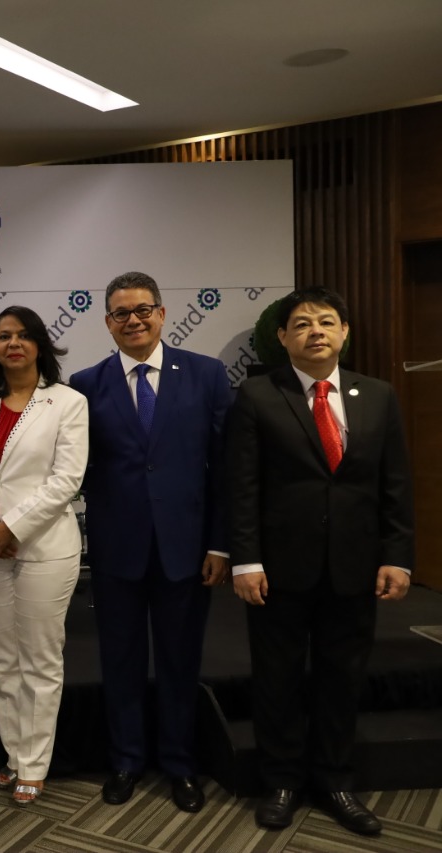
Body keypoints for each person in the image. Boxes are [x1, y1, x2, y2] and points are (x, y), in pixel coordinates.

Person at [228, 287, 413, 837]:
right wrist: (245, 561)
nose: (316, 331)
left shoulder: (377, 396)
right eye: (302, 323)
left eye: (327, 322)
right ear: (282, 337)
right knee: (277, 677)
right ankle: (281, 780)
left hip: (356, 566)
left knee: (342, 677)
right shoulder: (258, 396)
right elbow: (242, 488)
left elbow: (395, 485)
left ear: (345, 333)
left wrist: (398, 556)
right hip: (279, 569)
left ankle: (335, 779)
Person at [69, 271, 232, 813]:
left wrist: (219, 545)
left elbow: (224, 470)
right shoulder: (85, 383)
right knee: (119, 661)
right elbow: (78, 469)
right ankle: (126, 760)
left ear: (162, 314)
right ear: (108, 323)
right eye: (121, 313)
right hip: (117, 550)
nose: (133, 320)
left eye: (143, 310)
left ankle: (180, 764)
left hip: (188, 551)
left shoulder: (206, 376)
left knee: (181, 661)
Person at [0, 306, 88, 805]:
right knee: (2, 660)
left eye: (23, 336)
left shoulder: (67, 402)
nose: (13, 343)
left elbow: (67, 478)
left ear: (40, 344)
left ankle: (35, 764)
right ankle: (14, 756)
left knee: (39, 660)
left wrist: (12, 527)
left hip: (45, 549)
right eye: (3, 336)